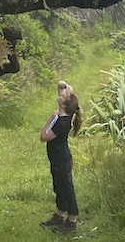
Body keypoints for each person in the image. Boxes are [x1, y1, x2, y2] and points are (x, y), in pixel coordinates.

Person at [39, 80, 82, 233]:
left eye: (63, 96)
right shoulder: (64, 112)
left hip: (61, 160)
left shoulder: (61, 122)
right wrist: (67, 89)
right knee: (59, 186)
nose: (61, 95)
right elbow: (60, 84)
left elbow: (43, 137)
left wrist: (50, 119)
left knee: (66, 189)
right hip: (58, 159)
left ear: (63, 104)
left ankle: (71, 221)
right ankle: (59, 215)